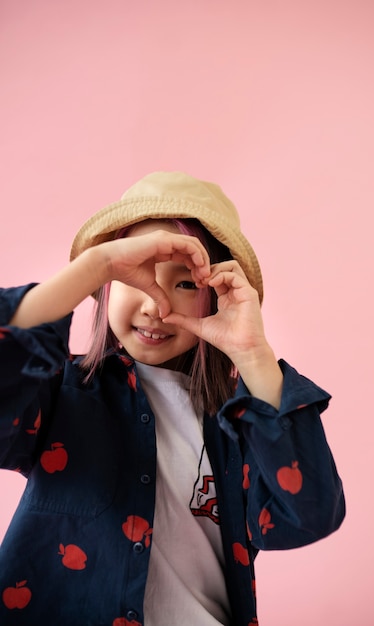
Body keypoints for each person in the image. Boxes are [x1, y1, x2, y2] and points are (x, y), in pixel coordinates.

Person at [0, 172, 345, 626]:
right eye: (132, 279)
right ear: (103, 288)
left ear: (217, 297)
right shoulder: (61, 392)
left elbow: (307, 515)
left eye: (185, 285)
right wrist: (96, 264)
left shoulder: (241, 423)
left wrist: (253, 354)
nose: (155, 306)